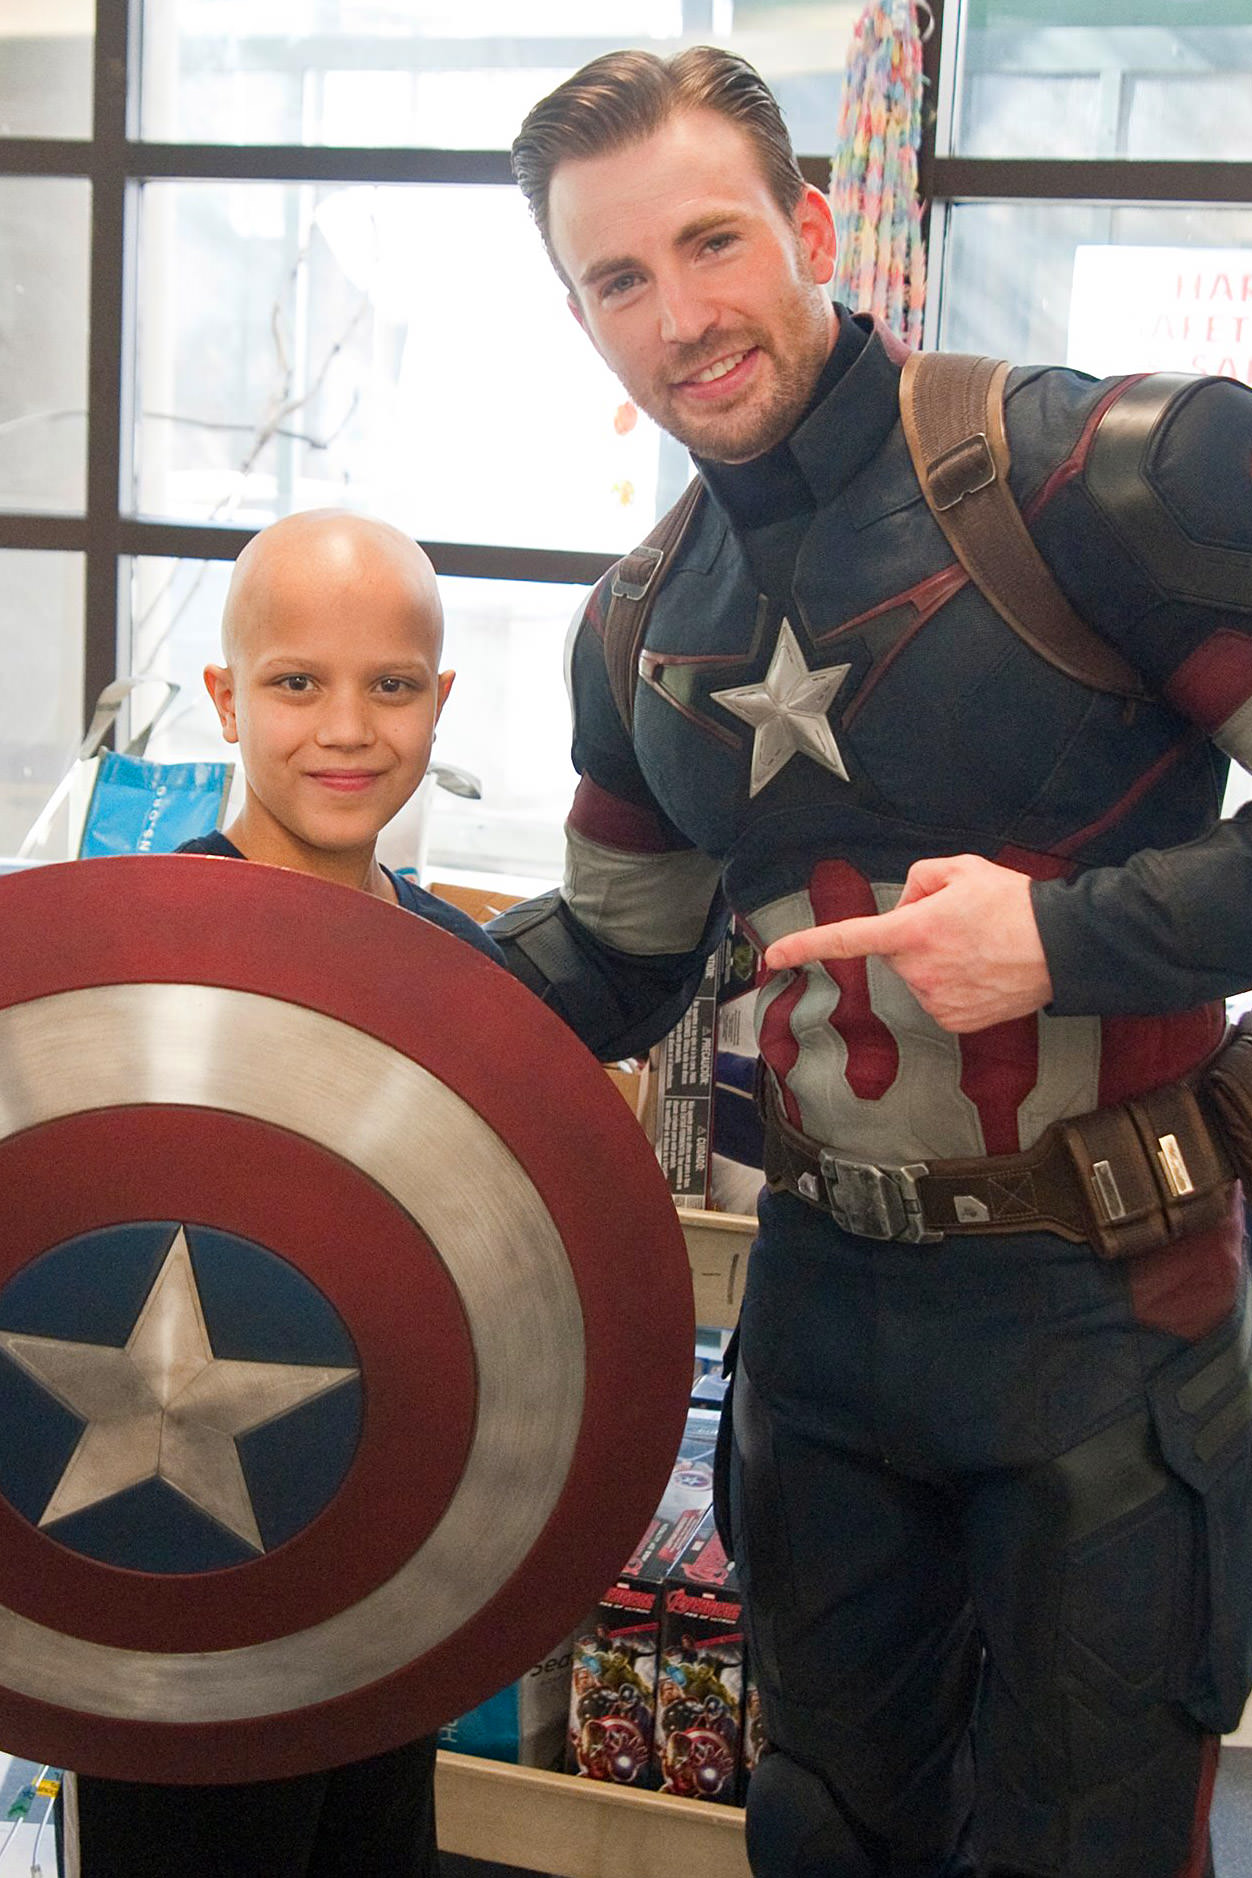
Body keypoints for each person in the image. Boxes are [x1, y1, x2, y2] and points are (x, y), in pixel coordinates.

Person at [495, 45, 1252, 1878]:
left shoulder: (1100, 477)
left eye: (712, 243)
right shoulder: (640, 627)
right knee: (822, 1833)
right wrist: (304, 965)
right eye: (617, 279)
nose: (682, 317)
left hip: (1109, 1315)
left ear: (816, 224)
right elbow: (616, 958)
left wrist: (1066, 936)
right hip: (825, 1324)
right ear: (580, 313)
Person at [68, 508, 503, 1876]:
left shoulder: (456, 975)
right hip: (156, 1568)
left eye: (389, 685)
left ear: (440, 700)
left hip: (383, 1561)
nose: (346, 728)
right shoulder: (133, 949)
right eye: (297, 682)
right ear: (225, 697)